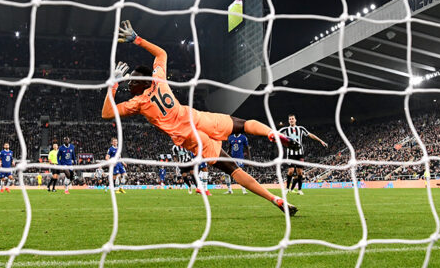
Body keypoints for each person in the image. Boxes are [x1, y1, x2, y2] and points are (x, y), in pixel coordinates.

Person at [102, 20, 299, 216]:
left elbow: (107, 113)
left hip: (190, 137)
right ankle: (272, 133)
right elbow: (161, 54)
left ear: (142, 84)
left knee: (233, 169)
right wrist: (137, 39)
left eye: (132, 81)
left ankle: (275, 199)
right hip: (197, 118)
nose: (129, 85)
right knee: (244, 124)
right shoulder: (159, 79)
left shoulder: (138, 103)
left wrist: (113, 84)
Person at [280, 114, 328, 196]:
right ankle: (287, 188)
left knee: (300, 172)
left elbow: (310, 135)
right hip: (290, 153)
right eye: (290, 119)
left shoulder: (301, 128)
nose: (291, 120)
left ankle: (299, 190)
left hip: (300, 153)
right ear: (288, 121)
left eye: (292, 119)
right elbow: (274, 133)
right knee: (291, 171)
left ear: (295, 120)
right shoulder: (285, 129)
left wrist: (320, 141)